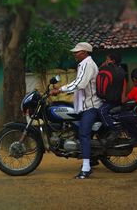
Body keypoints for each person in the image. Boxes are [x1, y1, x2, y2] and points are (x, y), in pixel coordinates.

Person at [50, 42, 102, 179]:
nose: (75, 54)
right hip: (84, 105)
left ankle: (86, 168)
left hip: (90, 106)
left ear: (85, 52)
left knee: (83, 134)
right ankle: (91, 158)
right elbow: (78, 82)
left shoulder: (88, 64)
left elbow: (80, 84)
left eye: (77, 52)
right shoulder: (84, 64)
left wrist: (60, 89)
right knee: (79, 129)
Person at [97, 53, 127, 146]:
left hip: (112, 101)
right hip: (114, 100)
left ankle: (114, 130)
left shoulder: (111, 70)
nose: (106, 61)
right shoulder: (121, 71)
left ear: (113, 61)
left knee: (101, 111)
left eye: (107, 59)